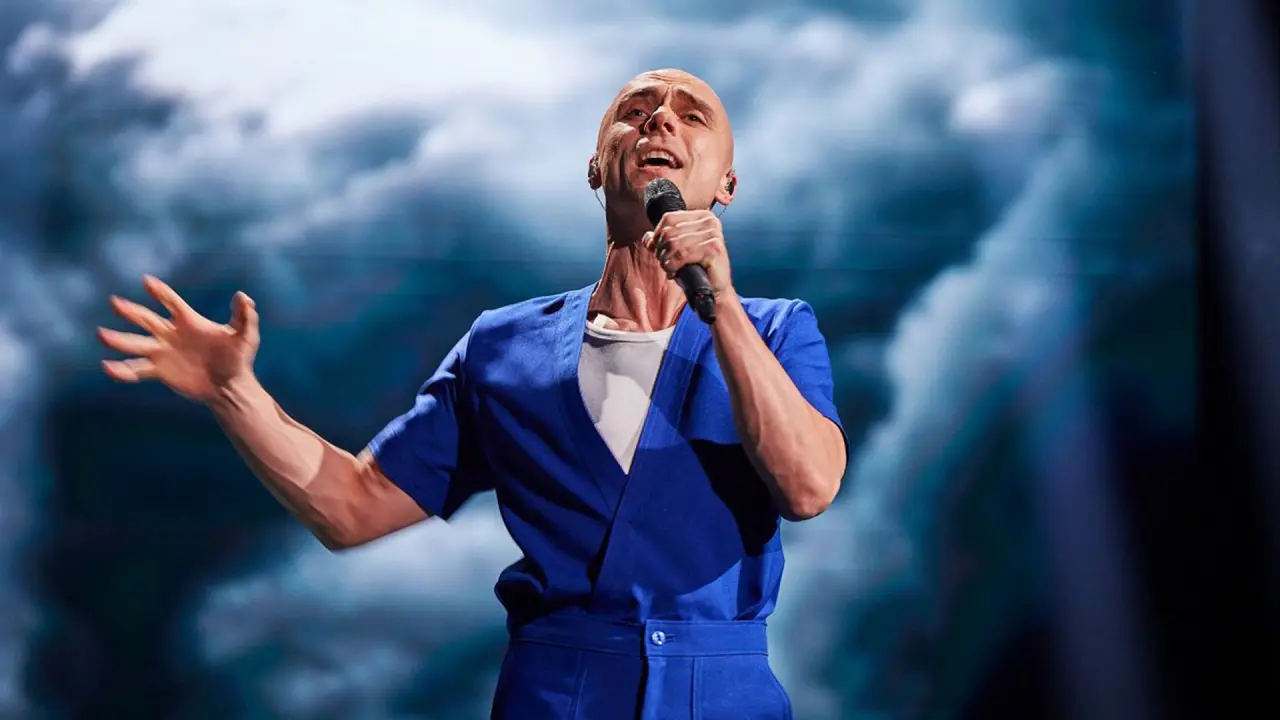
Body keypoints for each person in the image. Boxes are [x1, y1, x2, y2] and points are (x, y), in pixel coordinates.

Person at [97, 69, 847, 719]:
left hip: (722, 695)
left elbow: (809, 486)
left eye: (692, 115)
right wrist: (234, 392)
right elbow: (352, 506)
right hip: (557, 694)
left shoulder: (777, 332)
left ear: (727, 184)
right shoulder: (502, 348)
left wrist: (722, 306)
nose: (659, 121)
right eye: (636, 110)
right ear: (596, 167)